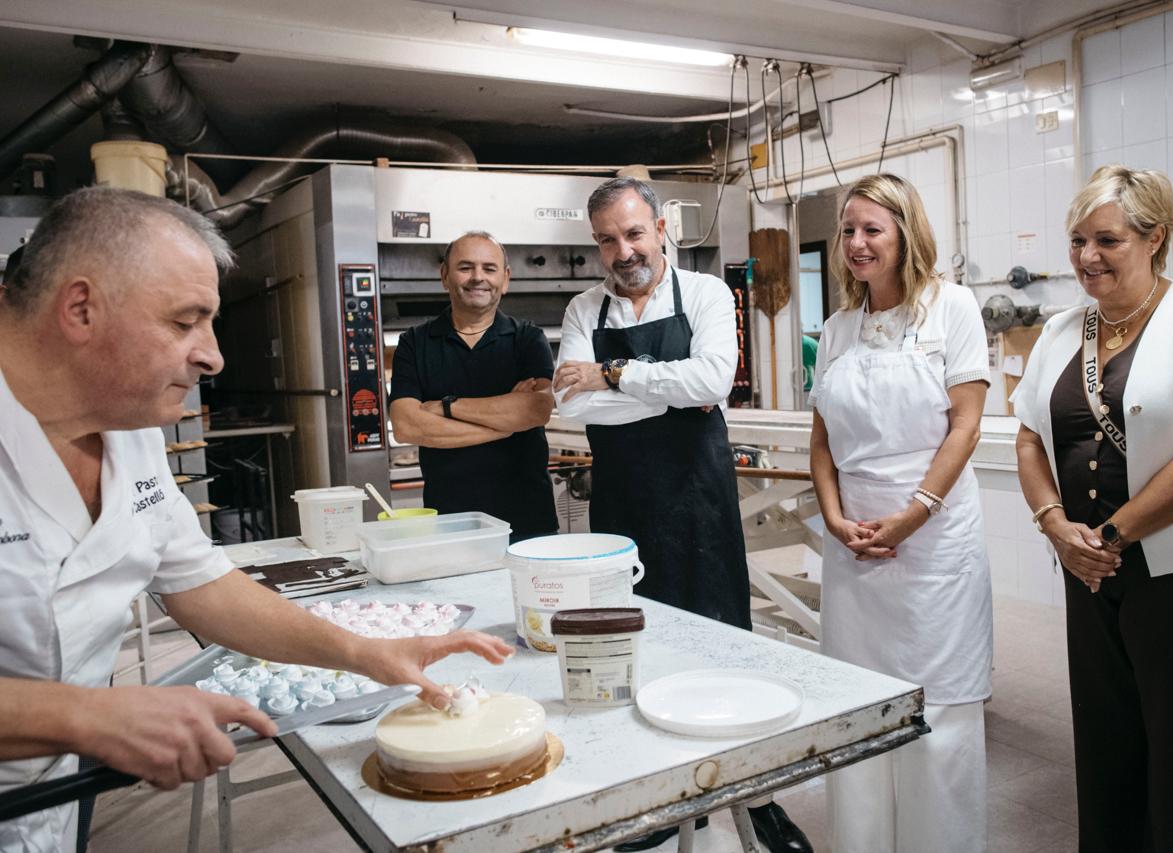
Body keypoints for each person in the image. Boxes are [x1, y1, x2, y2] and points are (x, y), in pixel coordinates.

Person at [0, 189, 513, 853]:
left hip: (52, 790)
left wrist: (363, 654)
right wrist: (86, 715)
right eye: (185, 322)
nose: (212, 356)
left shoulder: (126, 425)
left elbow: (201, 584)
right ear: (81, 308)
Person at [1011, 165, 1173, 852]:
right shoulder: (1062, 330)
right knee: (1106, 744)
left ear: (1155, 237)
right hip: (1089, 574)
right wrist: (1054, 525)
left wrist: (1109, 535)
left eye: (1108, 240)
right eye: (1078, 241)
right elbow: (1030, 437)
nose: (1087, 257)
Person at [553, 177, 811, 853]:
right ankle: (659, 803)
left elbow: (713, 381)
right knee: (637, 652)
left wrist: (612, 374)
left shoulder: (705, 294)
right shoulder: (583, 308)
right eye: (608, 239)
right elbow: (571, 405)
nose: (624, 251)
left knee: (724, 649)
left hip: (699, 502)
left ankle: (756, 799)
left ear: (661, 229)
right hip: (622, 511)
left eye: (634, 233)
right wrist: (667, 385)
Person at [808, 173, 992, 852]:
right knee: (856, 708)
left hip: (934, 541)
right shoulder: (836, 330)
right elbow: (821, 442)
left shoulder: (953, 308)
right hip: (853, 546)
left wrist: (914, 514)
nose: (857, 243)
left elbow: (965, 427)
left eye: (872, 229)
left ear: (906, 234)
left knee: (937, 712)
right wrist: (833, 518)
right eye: (848, 231)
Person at [388, 231, 556, 541]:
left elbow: (536, 410)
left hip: (528, 520)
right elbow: (406, 425)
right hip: (449, 523)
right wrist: (505, 427)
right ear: (444, 276)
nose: (478, 277)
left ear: (505, 279)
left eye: (489, 268)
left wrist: (446, 407)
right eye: (465, 267)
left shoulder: (527, 339)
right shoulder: (414, 343)